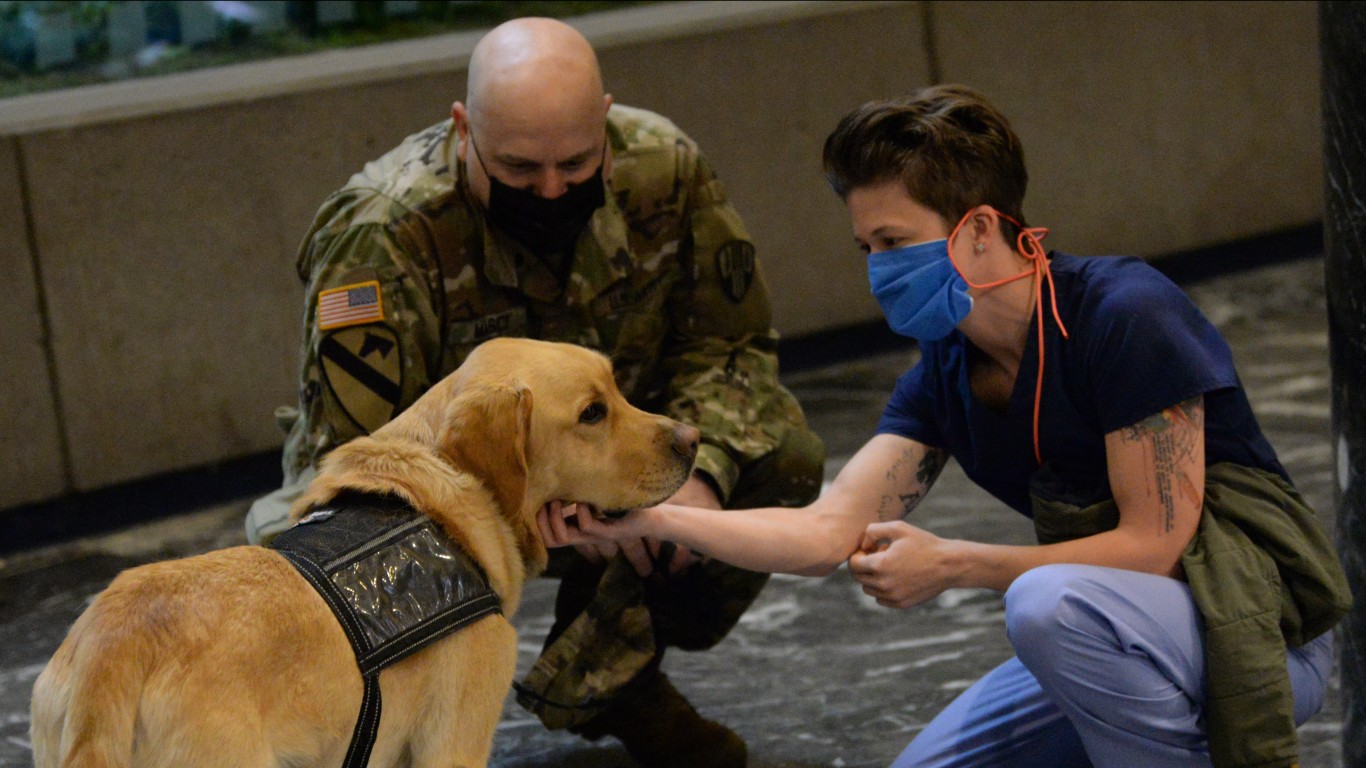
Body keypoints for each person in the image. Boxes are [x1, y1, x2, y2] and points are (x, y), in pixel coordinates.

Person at [541, 84, 1352, 768]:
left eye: (893, 242)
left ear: (976, 228)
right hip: (1111, 633)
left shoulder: (1122, 315)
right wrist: (647, 519)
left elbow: (1154, 546)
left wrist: (956, 563)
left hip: (1253, 629)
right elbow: (828, 532)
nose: (877, 268)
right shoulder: (947, 368)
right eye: (866, 246)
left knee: (1043, 604)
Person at [243, 17, 824, 767]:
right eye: (519, 170)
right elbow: (350, 458)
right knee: (328, 561)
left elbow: (730, 347)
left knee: (781, 458)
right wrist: (507, 499)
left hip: (608, 446)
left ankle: (612, 679)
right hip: (448, 483)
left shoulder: (664, 169)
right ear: (464, 129)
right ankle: (388, 738)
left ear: (606, 121)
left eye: (577, 163)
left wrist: (699, 483)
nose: (552, 189)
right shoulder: (382, 231)